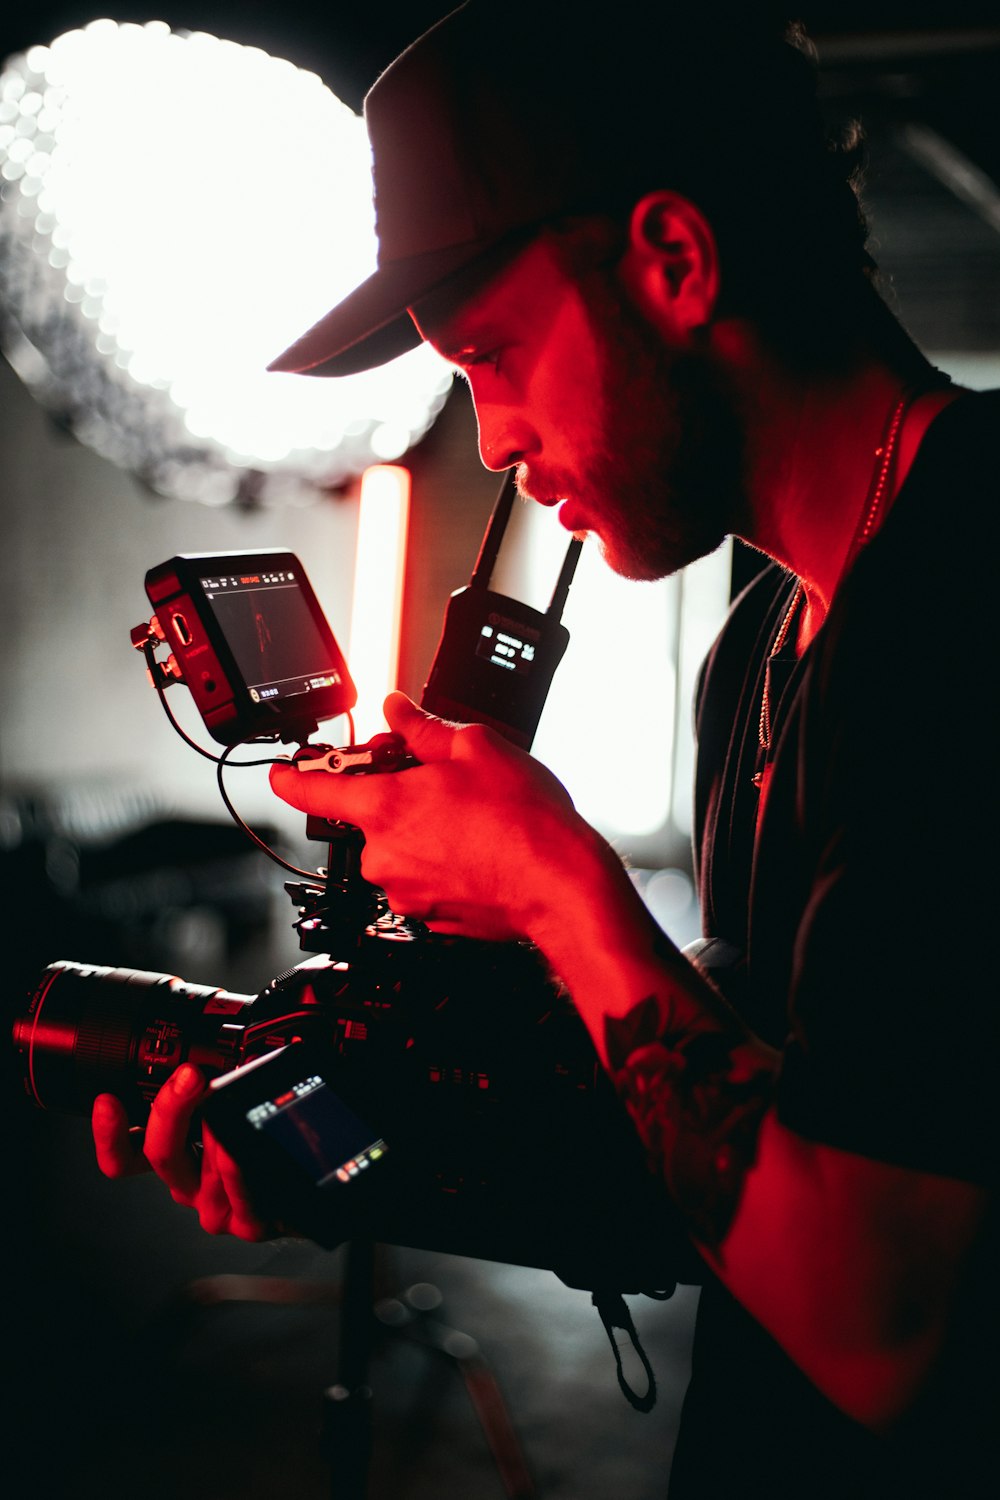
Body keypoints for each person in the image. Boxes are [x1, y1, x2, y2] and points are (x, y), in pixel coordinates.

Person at [92, 4, 997, 1495]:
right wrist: (361, 1149)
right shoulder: (757, 648)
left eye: (491, 354)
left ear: (675, 261)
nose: (493, 439)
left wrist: (557, 884)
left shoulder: (973, 580)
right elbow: (744, 1168)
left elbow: (886, 1322)